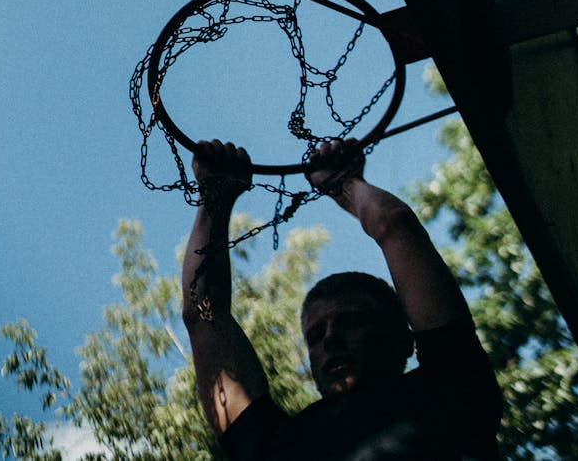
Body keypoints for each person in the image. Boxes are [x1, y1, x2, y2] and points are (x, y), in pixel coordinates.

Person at [182, 138, 502, 461]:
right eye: (315, 335)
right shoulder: (277, 446)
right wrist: (214, 199)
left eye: (351, 322)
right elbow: (202, 311)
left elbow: (395, 224)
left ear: (403, 341)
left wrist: (346, 185)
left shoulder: (450, 386)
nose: (331, 339)